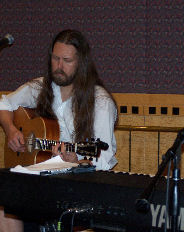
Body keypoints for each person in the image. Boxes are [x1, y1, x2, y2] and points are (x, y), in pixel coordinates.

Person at [0, 29, 117, 231]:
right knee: (4, 204)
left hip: (78, 186)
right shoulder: (41, 87)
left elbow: (104, 160)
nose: (59, 66)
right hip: (41, 180)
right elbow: (4, 104)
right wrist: (11, 130)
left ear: (81, 63)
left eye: (66, 60)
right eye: (55, 58)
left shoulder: (100, 102)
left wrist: (77, 161)